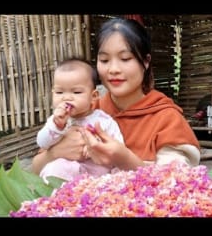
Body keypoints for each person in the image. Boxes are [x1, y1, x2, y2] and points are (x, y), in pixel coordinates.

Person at [32, 17, 200, 176]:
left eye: (125, 58)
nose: (113, 69)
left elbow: (176, 181)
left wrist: (124, 159)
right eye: (104, 60)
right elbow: (35, 169)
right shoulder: (86, 110)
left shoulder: (166, 118)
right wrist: (55, 153)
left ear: (146, 61)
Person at [36, 58, 124, 182]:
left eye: (76, 92)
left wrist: (98, 145)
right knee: (54, 168)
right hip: (65, 179)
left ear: (93, 96)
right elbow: (42, 143)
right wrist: (57, 127)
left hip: (96, 179)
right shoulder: (56, 121)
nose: (66, 98)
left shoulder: (103, 120)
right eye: (59, 92)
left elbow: (118, 149)